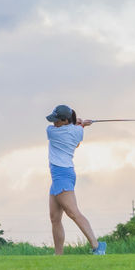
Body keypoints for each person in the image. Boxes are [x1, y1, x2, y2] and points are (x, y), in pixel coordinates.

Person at [45, 105, 105, 255]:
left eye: (57, 120)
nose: (53, 123)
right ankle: (58, 254)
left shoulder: (51, 132)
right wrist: (80, 125)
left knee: (73, 213)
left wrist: (79, 123)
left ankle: (97, 246)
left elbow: (70, 131)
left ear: (65, 120)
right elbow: (76, 141)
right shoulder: (78, 131)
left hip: (62, 174)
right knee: (54, 217)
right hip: (62, 175)